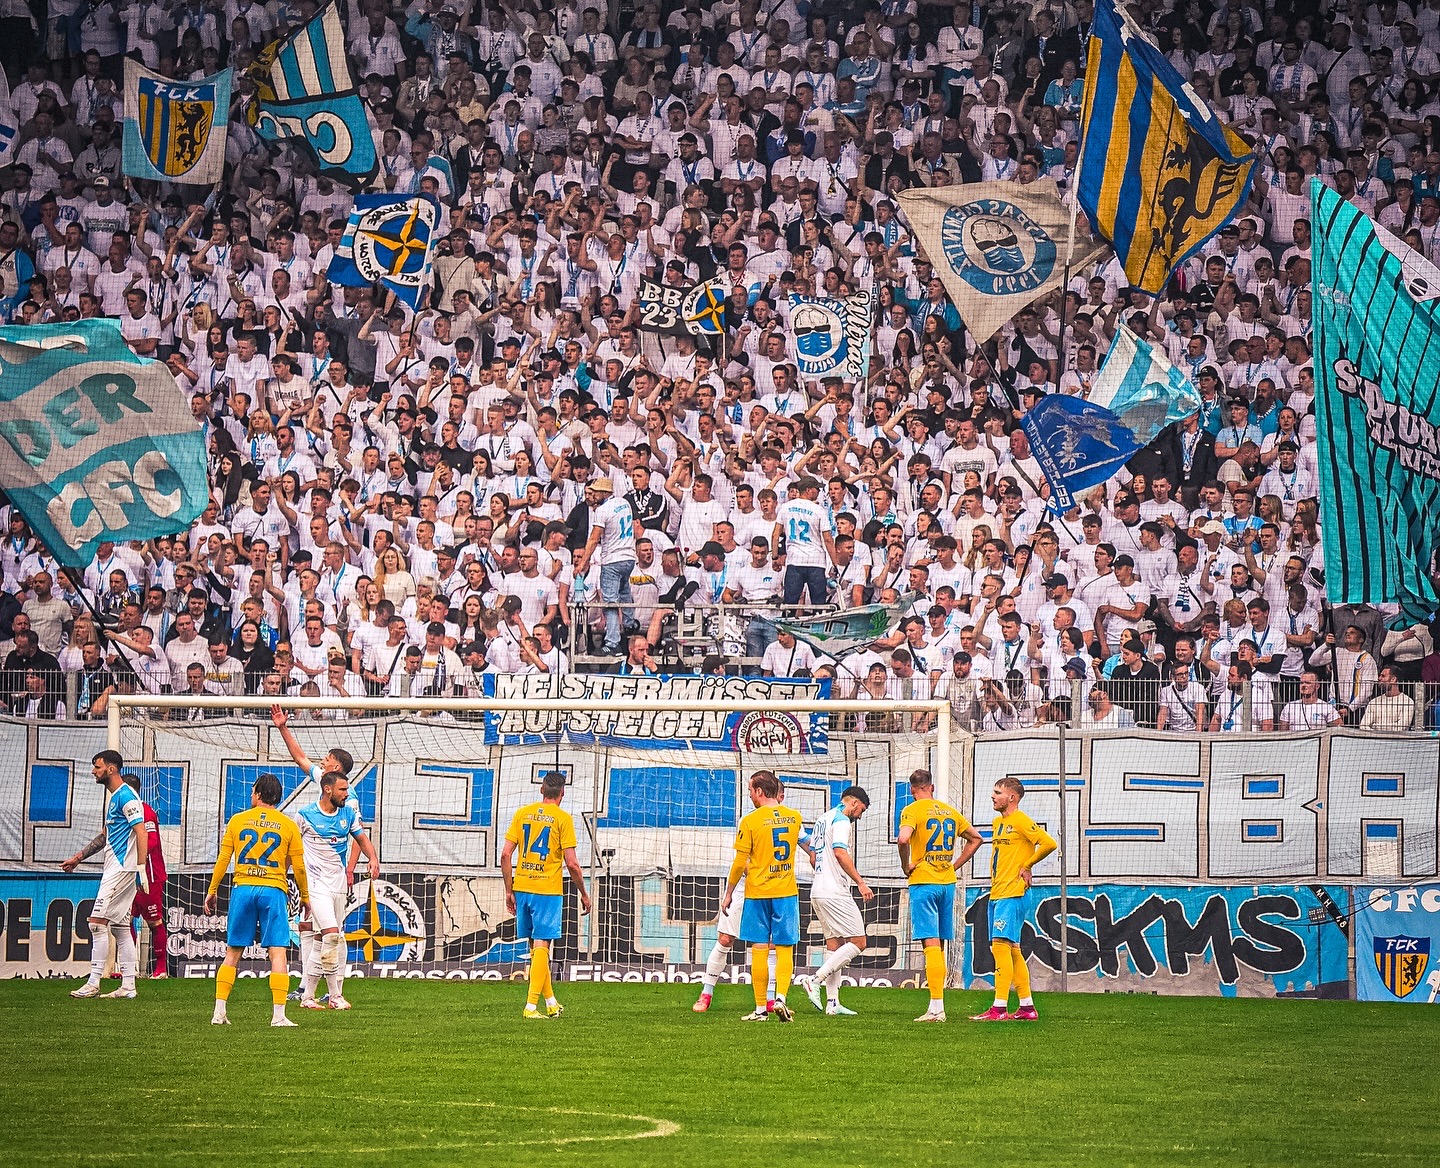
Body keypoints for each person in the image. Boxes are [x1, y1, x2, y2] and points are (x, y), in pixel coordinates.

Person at [273, 706, 378, 1011]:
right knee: (322, 931)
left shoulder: (347, 800)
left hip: (336, 877)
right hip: (314, 880)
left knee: (329, 935)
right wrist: (282, 728)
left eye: (328, 759)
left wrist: (353, 867)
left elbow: (358, 835)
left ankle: (310, 992)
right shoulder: (313, 802)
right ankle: (323, 993)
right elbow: (300, 758)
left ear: (337, 769)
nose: (322, 761)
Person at [204, 772, 310, 1027]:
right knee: (278, 952)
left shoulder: (238, 820)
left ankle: (219, 1013)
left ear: (259, 793)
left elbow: (223, 859)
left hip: (243, 888)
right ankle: (278, 1016)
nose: (251, 794)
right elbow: (299, 867)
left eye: (253, 790)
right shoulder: (288, 825)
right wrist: (305, 897)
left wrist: (212, 890)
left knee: (232, 953)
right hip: (273, 890)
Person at [500, 770, 591, 1019]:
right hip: (547, 889)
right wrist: (584, 893)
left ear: (542, 790)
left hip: (522, 886)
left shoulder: (522, 814)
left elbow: (506, 855)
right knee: (543, 944)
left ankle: (551, 1002)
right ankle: (530, 1007)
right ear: (562, 793)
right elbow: (572, 864)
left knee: (535, 947)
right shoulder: (562, 819)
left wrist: (509, 889)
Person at [896, 768, 982, 1023]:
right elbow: (976, 839)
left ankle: (936, 1008)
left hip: (924, 881)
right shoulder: (949, 811)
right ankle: (938, 1004)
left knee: (930, 944)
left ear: (912, 790)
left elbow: (903, 839)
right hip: (947, 884)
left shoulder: (912, 810)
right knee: (940, 945)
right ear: (931, 787)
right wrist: (954, 865)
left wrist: (906, 865)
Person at [973, 777, 1059, 1022]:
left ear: (1012, 797)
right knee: (1011, 950)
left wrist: (1027, 864)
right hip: (999, 892)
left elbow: (1049, 843)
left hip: (1013, 893)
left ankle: (999, 1008)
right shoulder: (999, 822)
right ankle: (1026, 1007)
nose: (993, 796)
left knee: (1000, 948)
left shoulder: (1020, 820)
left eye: (997, 792)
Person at [66, 750, 148, 1001]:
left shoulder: (126, 796)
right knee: (122, 929)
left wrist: (141, 868)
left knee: (96, 924)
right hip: (117, 868)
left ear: (111, 769)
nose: (94, 771)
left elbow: (142, 832)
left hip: (121, 870)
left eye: (97, 767)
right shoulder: (115, 798)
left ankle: (93, 982)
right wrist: (78, 858)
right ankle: (129, 985)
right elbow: (106, 836)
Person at [722, 769, 802, 1022]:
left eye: (750, 790)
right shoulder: (794, 817)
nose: (749, 795)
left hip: (758, 892)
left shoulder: (751, 820)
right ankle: (781, 998)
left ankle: (759, 1010)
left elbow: (739, 863)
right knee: (785, 949)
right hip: (786, 892)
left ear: (759, 791)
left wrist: (729, 893)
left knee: (758, 948)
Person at [795, 786, 873, 1016]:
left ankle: (832, 1003)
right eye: (862, 811)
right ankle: (814, 979)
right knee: (859, 942)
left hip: (817, 889)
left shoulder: (823, 819)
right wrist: (860, 881)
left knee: (835, 944)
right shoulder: (842, 821)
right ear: (855, 803)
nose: (860, 816)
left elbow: (814, 856)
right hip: (833, 891)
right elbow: (840, 852)